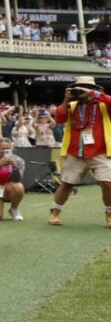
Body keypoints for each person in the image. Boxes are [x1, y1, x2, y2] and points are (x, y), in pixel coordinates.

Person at [50, 76, 111, 228]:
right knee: (67, 184)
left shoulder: (103, 104)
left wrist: (94, 95)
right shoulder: (72, 105)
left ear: (94, 89)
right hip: (75, 152)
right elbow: (58, 118)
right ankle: (55, 212)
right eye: (80, 88)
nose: (82, 91)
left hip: (100, 151)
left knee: (108, 183)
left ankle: (110, 213)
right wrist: (66, 99)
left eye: (86, 87)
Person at [0, 139, 26, 221]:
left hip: (6, 189)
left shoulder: (19, 160)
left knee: (18, 187)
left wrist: (15, 167)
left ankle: (14, 209)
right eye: (2, 149)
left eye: (7, 149)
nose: (5, 151)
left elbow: (17, 180)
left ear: (11, 149)